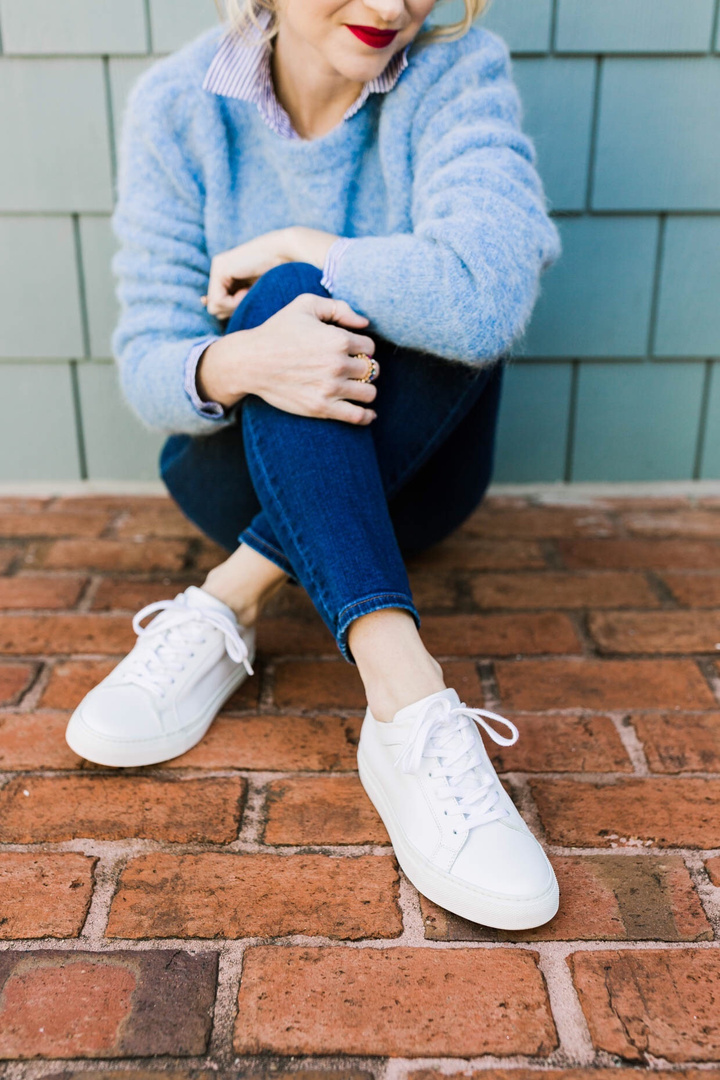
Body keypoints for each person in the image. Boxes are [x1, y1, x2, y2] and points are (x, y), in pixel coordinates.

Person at [65, 0, 562, 931]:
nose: (392, 7)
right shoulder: (179, 106)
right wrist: (243, 360)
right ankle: (402, 694)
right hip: (232, 476)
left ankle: (238, 602)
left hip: (424, 476)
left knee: (307, 286)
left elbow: (488, 294)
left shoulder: (456, 72)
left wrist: (305, 249)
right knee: (286, 308)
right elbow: (148, 360)